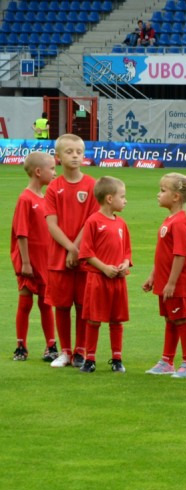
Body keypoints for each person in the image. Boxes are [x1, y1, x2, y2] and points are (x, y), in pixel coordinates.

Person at [143, 173, 186, 378]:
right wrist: (153, 276)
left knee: (181, 320)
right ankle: (167, 361)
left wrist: (171, 283)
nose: (158, 194)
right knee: (170, 319)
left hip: (176, 283)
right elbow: (163, 253)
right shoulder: (170, 220)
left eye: (162, 190)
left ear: (176, 197)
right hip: (165, 281)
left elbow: (180, 255)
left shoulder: (179, 222)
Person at [44, 134, 97, 369]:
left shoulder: (92, 185)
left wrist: (76, 250)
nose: (75, 156)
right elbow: (51, 224)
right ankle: (65, 351)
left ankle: (81, 351)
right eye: (69, 152)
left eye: (79, 152)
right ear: (58, 157)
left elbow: (91, 222)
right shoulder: (54, 187)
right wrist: (70, 248)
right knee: (62, 305)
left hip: (86, 257)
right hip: (59, 257)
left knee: (83, 305)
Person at [77, 176, 131, 373]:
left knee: (117, 319)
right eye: (122, 197)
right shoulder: (93, 221)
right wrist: (104, 268)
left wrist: (125, 264)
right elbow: (86, 252)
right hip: (98, 279)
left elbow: (127, 252)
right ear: (109, 199)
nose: (125, 201)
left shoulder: (122, 223)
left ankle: (117, 358)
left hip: (118, 280)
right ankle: (90, 359)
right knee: (93, 319)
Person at [11, 152, 57, 362]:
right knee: (25, 302)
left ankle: (51, 345)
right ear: (38, 172)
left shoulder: (46, 198)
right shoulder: (25, 199)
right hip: (29, 261)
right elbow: (21, 233)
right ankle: (21, 346)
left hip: (45, 260)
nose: (55, 173)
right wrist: (26, 262)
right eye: (52, 169)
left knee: (46, 303)